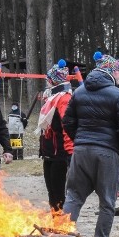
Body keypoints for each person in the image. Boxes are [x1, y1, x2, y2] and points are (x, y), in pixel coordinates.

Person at [62, 52, 119, 237]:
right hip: (106, 153)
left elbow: (67, 121)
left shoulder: (79, 92)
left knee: (74, 196)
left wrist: (80, 140)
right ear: (112, 71)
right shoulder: (117, 94)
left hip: (81, 151)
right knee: (107, 202)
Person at [38, 59, 74, 211]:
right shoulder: (50, 98)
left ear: (53, 80)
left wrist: (71, 153)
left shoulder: (64, 99)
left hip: (60, 153)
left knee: (58, 193)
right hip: (49, 153)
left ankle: (62, 226)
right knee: (52, 192)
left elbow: (67, 126)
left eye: (48, 79)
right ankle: (55, 223)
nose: (46, 81)